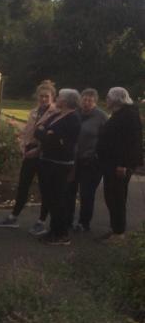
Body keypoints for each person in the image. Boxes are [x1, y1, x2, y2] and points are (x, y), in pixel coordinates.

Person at [0, 81, 56, 233]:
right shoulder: (34, 112)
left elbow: (51, 137)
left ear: (52, 97)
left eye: (46, 96)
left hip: (44, 153)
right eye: (41, 96)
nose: (43, 99)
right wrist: (23, 146)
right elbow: (27, 132)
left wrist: (38, 149)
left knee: (45, 187)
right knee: (23, 184)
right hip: (29, 151)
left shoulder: (55, 113)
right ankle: (14, 216)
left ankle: (42, 220)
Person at [96, 87, 144, 242]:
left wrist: (123, 164)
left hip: (119, 165)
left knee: (116, 197)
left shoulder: (128, 115)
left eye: (109, 97)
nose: (106, 100)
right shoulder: (120, 113)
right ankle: (116, 228)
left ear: (116, 99)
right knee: (112, 196)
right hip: (111, 163)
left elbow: (131, 143)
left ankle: (118, 233)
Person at [34, 89, 82, 245]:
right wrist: (46, 133)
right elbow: (39, 130)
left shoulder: (73, 119)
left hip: (60, 164)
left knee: (57, 199)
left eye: (60, 97)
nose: (57, 99)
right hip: (48, 161)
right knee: (49, 198)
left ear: (67, 101)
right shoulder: (56, 115)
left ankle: (62, 234)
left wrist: (47, 134)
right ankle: (53, 230)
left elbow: (55, 140)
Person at [66, 89, 108, 232]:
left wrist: (97, 155)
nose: (86, 103)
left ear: (95, 101)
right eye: (84, 99)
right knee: (70, 191)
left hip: (90, 161)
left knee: (86, 193)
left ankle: (84, 222)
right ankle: (68, 219)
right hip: (73, 160)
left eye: (90, 100)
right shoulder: (75, 113)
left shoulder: (101, 117)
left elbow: (106, 139)